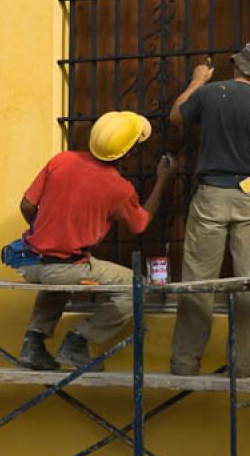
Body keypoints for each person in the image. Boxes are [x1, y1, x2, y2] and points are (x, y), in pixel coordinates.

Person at [14, 110, 174, 371]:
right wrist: (162, 181)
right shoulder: (118, 188)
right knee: (137, 288)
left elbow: (26, 205)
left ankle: (33, 344)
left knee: (60, 275)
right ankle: (78, 341)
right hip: (64, 268)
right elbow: (141, 223)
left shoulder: (61, 160)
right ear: (128, 152)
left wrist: (41, 230)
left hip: (28, 262)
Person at [169, 39, 250, 378]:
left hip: (211, 194)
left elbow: (176, 115)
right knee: (248, 282)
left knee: (198, 281)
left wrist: (197, 81)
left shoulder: (211, 94)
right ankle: (241, 364)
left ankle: (185, 361)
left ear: (238, 66)